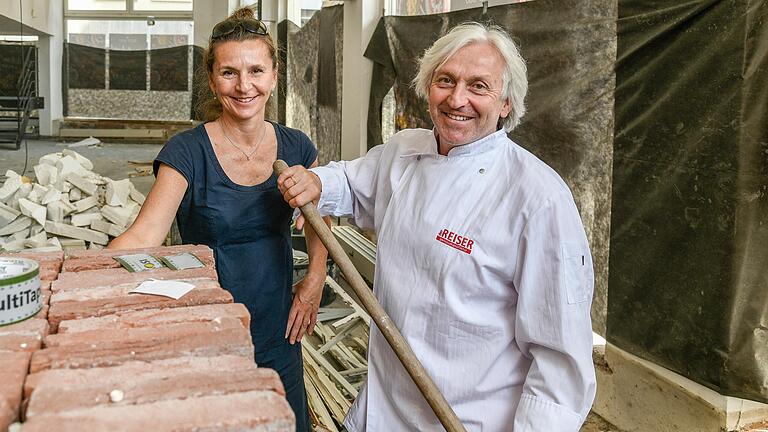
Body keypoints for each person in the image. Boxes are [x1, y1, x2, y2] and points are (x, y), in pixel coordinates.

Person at [278, 22, 596, 431]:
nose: (457, 98)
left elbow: (561, 363)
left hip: (467, 420)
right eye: (445, 80)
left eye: (478, 86)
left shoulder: (538, 199)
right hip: (380, 410)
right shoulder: (405, 151)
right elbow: (354, 184)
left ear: (505, 103)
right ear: (428, 86)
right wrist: (318, 182)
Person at [108, 8, 327, 432]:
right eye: (229, 72)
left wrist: (315, 278)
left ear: (275, 75)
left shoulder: (297, 147)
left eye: (256, 71)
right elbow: (145, 235)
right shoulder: (187, 152)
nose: (244, 86)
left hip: (278, 326)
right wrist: (81, 273)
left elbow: (322, 220)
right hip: (209, 326)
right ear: (211, 79)